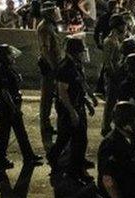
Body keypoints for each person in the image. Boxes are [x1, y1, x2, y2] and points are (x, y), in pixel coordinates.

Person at [50, 36, 96, 180]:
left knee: (76, 137)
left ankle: (76, 161)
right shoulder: (65, 67)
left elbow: (81, 83)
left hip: (78, 105)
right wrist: (72, 112)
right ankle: (74, 170)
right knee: (73, 138)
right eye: (82, 51)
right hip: (68, 108)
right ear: (75, 51)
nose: (84, 54)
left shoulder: (76, 64)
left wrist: (89, 99)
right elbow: (63, 93)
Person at [0, 44, 43, 166]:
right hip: (8, 107)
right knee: (5, 134)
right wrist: (13, 107)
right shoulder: (3, 70)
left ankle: (28, 156)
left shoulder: (10, 68)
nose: (13, 56)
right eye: (10, 54)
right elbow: (5, 92)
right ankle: (0, 158)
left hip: (13, 105)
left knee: (20, 132)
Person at [37, 3, 65, 146]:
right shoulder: (44, 28)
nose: (57, 14)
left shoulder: (50, 26)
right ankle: (45, 125)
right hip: (50, 68)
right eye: (54, 12)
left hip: (54, 65)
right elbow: (45, 50)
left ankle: (47, 124)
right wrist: (54, 67)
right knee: (47, 97)